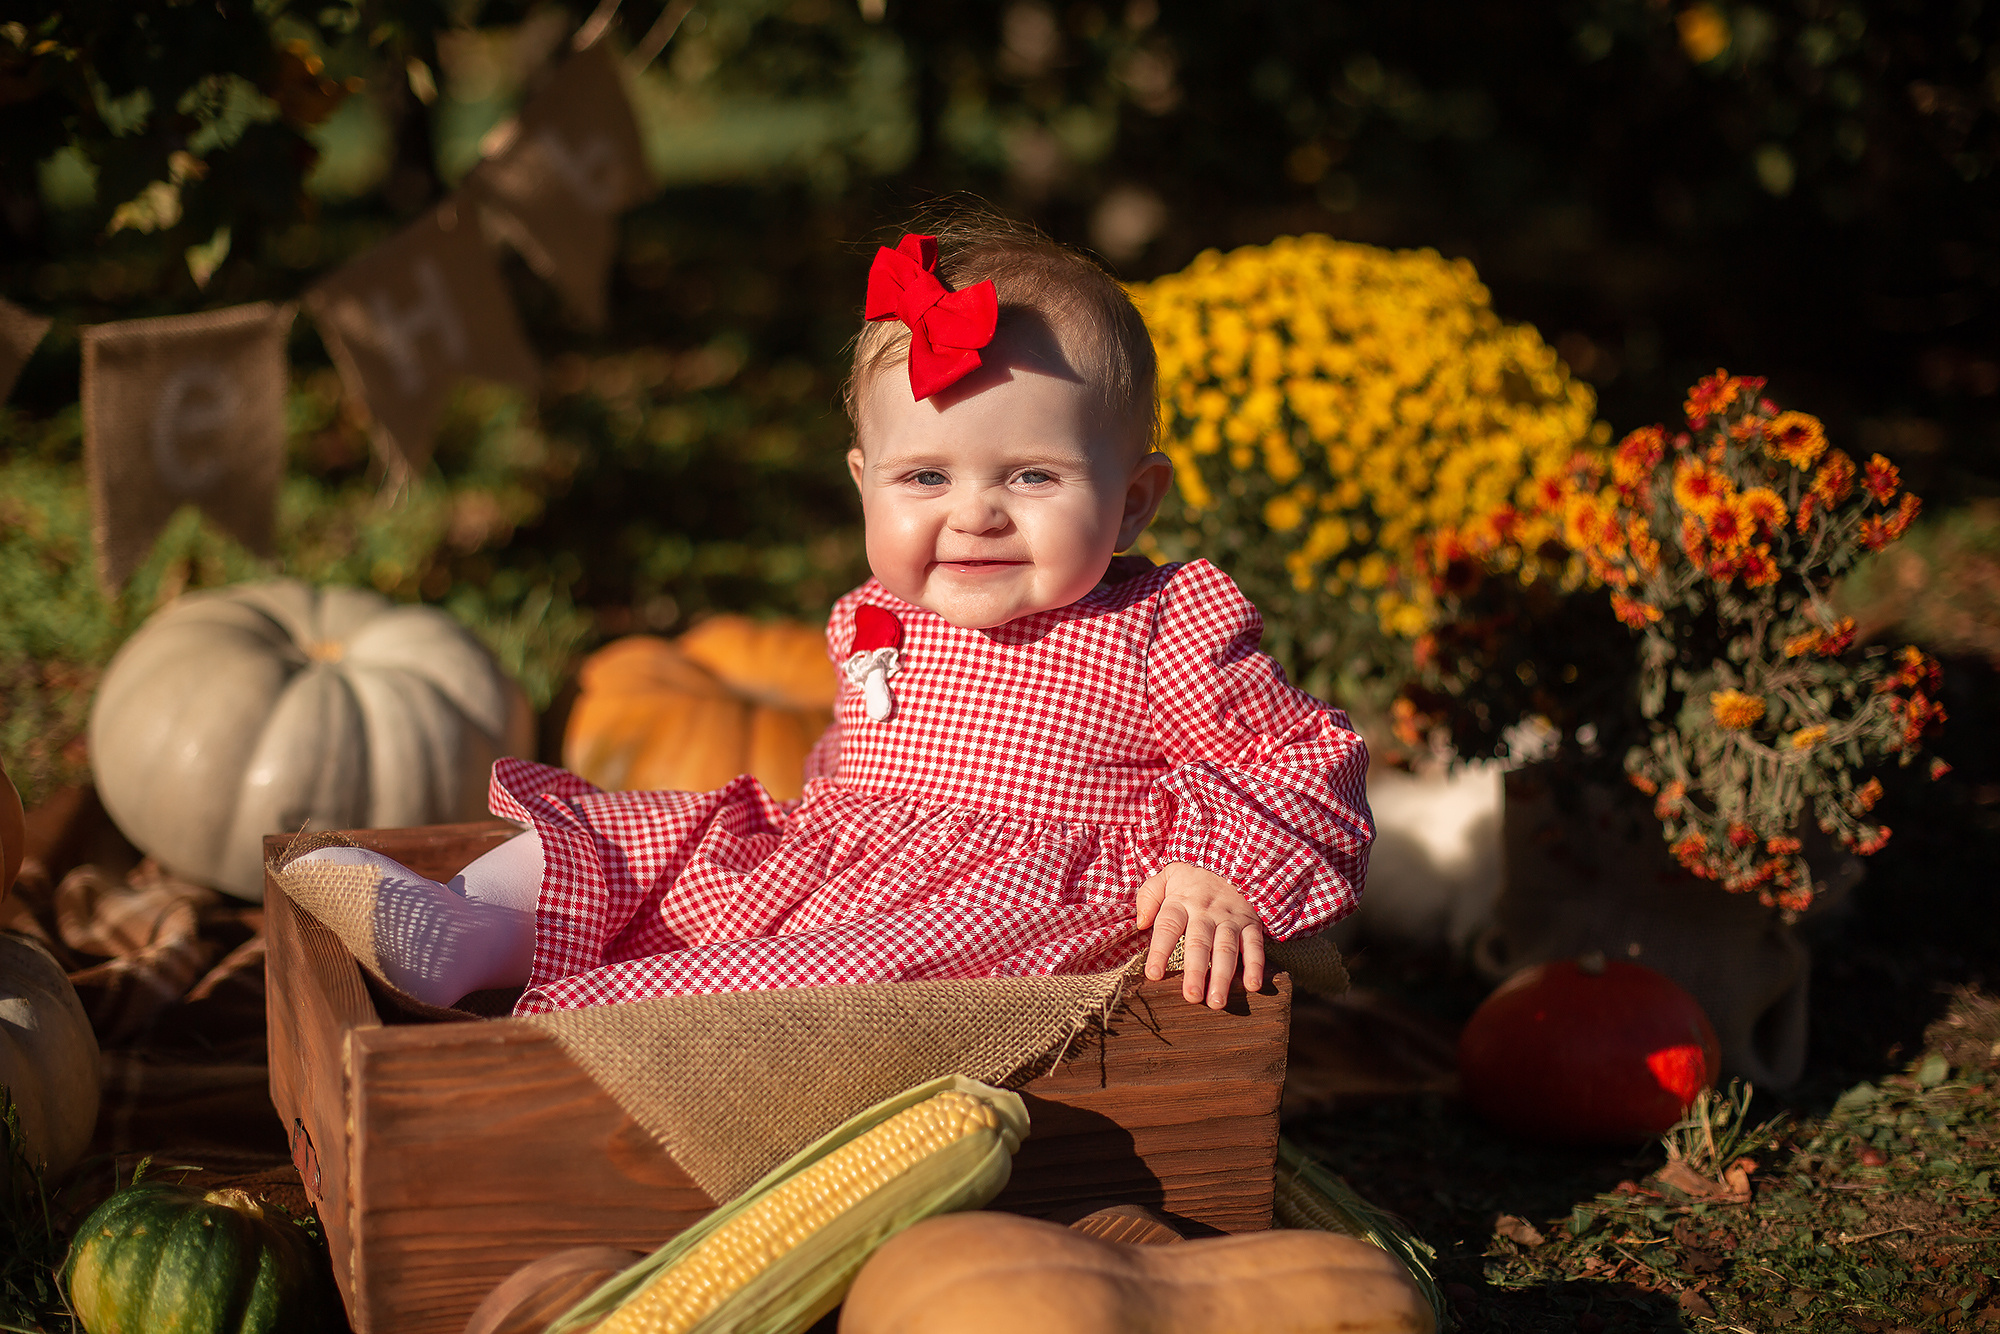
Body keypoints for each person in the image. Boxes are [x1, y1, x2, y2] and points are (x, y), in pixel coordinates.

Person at [282, 213, 1374, 1017]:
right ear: (864, 483)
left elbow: (1302, 758)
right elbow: (854, 775)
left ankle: (605, 1014)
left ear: (1134, 497)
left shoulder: (1161, 625)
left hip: (990, 923)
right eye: (925, 479)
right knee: (658, 834)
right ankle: (467, 926)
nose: (975, 515)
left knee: (819, 972)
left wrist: (1208, 866)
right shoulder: (875, 615)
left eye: (1032, 478)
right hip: (836, 856)